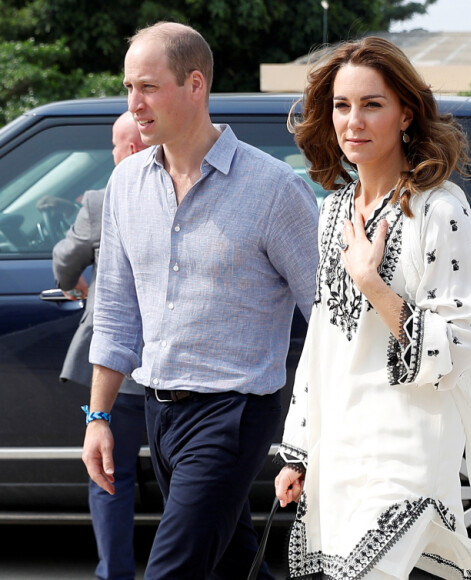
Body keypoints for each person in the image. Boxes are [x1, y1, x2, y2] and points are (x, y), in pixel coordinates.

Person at [274, 36, 471, 580]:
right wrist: (299, 449)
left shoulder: (439, 211)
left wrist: (373, 283)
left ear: (406, 114)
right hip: (341, 438)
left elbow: (458, 343)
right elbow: (323, 339)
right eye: (342, 106)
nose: (353, 121)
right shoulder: (333, 213)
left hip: (410, 437)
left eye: (372, 105)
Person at [81, 21, 319, 580]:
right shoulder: (126, 185)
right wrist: (98, 417)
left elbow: (330, 317)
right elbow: (115, 309)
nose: (134, 104)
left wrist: (313, 436)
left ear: (195, 85)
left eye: (147, 87)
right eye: (128, 88)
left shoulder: (274, 188)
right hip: (160, 410)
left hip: (234, 411)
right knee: (234, 563)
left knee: (174, 568)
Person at [52, 111, 149, 580]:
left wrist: (76, 285)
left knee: (110, 476)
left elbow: (64, 261)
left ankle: (115, 572)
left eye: (114, 145)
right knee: (187, 484)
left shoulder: (101, 199)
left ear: (129, 149)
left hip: (120, 372)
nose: (113, 153)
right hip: (182, 371)